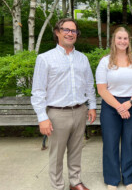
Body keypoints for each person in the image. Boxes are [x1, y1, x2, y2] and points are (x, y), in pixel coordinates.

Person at [31, 18, 97, 190]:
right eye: (66, 29)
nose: (70, 33)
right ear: (57, 32)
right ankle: (58, 186)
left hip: (80, 110)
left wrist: (91, 106)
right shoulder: (45, 59)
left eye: (73, 31)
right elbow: (38, 91)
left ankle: (75, 182)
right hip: (57, 114)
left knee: (76, 150)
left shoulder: (82, 58)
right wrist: (42, 117)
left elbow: (89, 84)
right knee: (56, 155)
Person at [96, 27, 132, 190]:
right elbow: (102, 89)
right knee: (110, 143)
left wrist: (129, 103)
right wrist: (119, 106)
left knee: (130, 142)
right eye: (119, 38)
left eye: (125, 38)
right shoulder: (105, 62)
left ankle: (128, 178)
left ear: (129, 41)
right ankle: (112, 179)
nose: (122, 41)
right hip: (111, 106)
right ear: (114, 40)